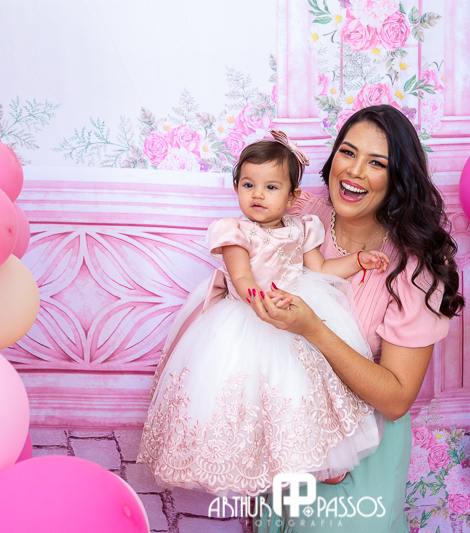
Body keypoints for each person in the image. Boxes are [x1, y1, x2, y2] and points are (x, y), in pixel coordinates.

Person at [137, 131, 392, 497]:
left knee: (301, 391)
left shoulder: (302, 228)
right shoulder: (236, 232)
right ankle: (251, 463)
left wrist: (357, 260)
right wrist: (259, 300)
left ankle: (316, 460)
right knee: (246, 397)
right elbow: (241, 278)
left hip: (295, 309)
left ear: (292, 197)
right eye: (248, 185)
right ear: (237, 187)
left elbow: (320, 269)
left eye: (271, 187)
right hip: (248, 317)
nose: (257, 194)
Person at [251, 105, 464, 532]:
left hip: (362, 455)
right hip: (286, 440)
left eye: (377, 163)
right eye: (348, 153)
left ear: (398, 179)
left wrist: (314, 329)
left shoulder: (412, 269)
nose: (354, 171)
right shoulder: (297, 216)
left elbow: (397, 398)